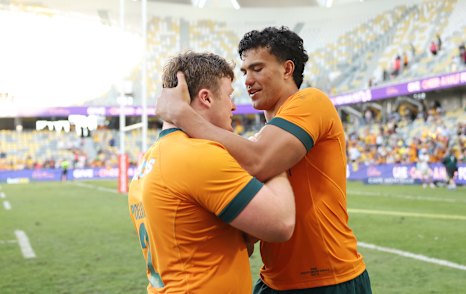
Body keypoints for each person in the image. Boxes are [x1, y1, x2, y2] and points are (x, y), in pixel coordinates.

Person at [156, 26, 371, 293]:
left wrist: (183, 116)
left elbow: (261, 162)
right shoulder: (258, 140)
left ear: (287, 69)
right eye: (245, 71)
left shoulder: (311, 101)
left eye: (257, 68)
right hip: (275, 279)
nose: (247, 80)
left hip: (330, 278)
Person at [128, 51, 295, 293]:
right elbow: (281, 224)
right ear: (206, 98)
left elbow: (217, 241)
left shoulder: (150, 159)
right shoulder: (197, 155)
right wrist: (272, 161)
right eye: (229, 95)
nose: (234, 106)